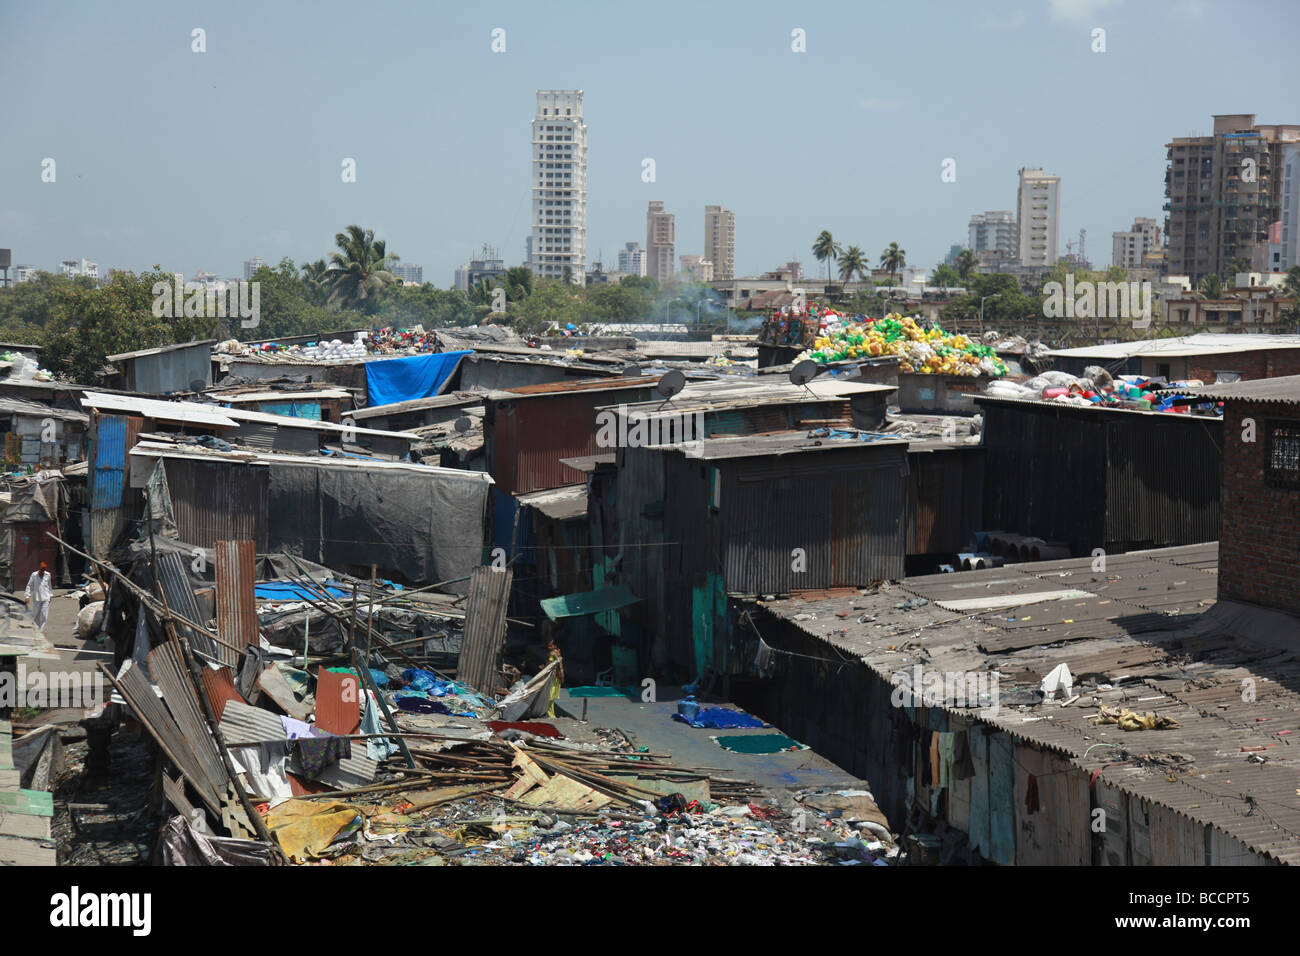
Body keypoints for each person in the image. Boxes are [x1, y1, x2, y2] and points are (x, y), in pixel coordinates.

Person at [25, 562, 53, 632]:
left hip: (46, 597)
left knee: (43, 614)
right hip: (37, 598)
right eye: (41, 569)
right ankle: (36, 628)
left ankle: (41, 630)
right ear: (39, 568)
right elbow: (29, 586)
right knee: (36, 614)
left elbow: (49, 586)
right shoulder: (34, 575)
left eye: (44, 569)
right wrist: (27, 596)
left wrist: (50, 595)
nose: (42, 571)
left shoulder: (48, 575)